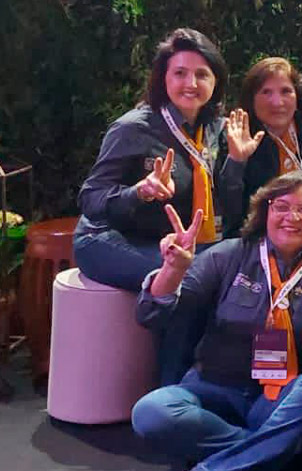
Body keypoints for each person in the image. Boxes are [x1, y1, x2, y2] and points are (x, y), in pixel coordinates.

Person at [131, 171, 302, 471]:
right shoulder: (228, 254)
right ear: (265, 211)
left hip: (279, 397)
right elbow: (151, 313)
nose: (292, 217)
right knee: (150, 412)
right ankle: (284, 456)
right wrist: (173, 270)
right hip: (212, 389)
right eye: (282, 206)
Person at [75, 28, 258, 291]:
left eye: (202, 75)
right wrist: (139, 192)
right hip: (112, 239)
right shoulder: (133, 129)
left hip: (180, 242)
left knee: (248, 269)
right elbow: (91, 199)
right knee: (194, 277)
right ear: (163, 79)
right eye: (180, 73)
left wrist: (237, 161)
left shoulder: (219, 129)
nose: (191, 84)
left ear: (216, 81)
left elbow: (229, 209)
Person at [238, 57, 302, 211]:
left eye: (286, 91)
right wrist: (235, 161)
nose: (277, 102)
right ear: (251, 100)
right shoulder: (237, 139)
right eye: (266, 92)